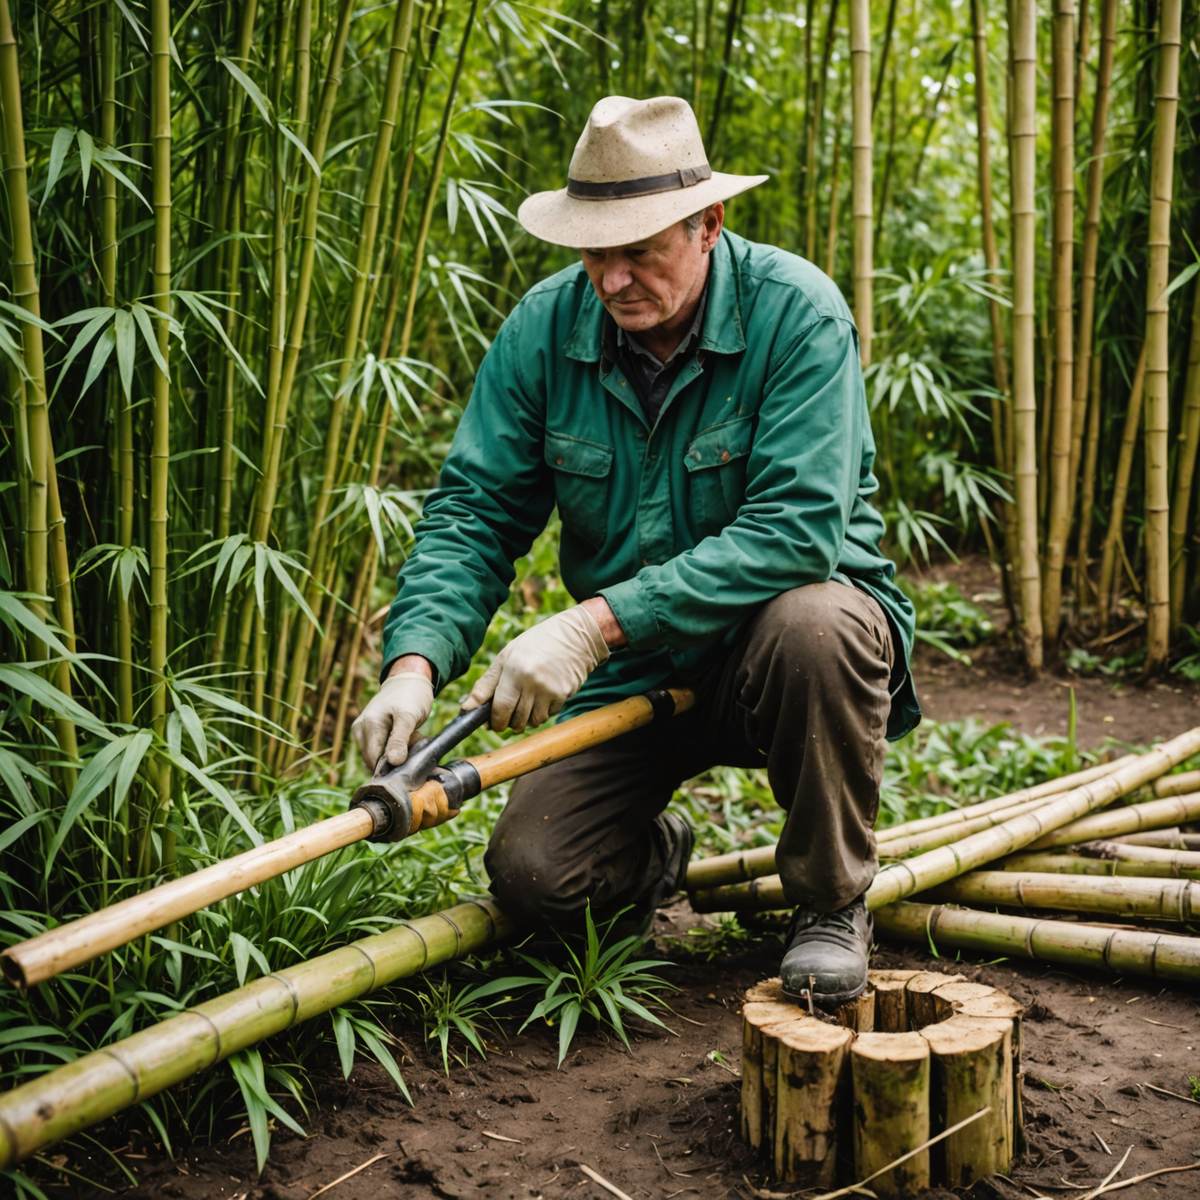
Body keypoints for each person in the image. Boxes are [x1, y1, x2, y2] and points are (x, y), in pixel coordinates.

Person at [352, 95, 919, 1008]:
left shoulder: (797, 315)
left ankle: (829, 901)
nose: (611, 280)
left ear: (707, 224)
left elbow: (796, 532)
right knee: (538, 876)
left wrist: (591, 624)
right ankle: (657, 857)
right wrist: (413, 664)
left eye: (638, 251)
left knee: (817, 622)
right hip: (637, 674)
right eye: (593, 252)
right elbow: (474, 512)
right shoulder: (545, 329)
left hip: (779, 653)